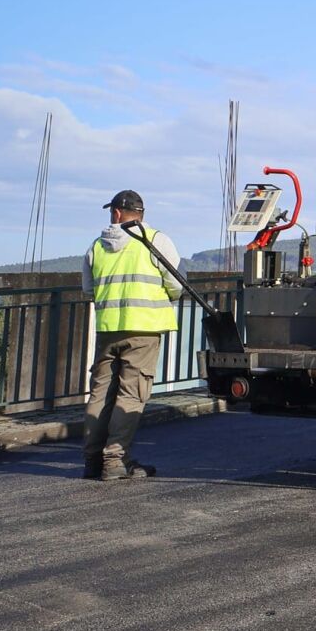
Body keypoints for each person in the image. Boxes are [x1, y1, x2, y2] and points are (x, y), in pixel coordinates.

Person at [81, 190, 181, 480]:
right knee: (131, 394)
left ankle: (92, 461)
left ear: (116, 213)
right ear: (141, 214)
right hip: (144, 329)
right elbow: (175, 282)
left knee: (100, 394)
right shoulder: (156, 240)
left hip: (108, 329)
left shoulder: (96, 247)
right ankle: (115, 461)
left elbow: (89, 290)